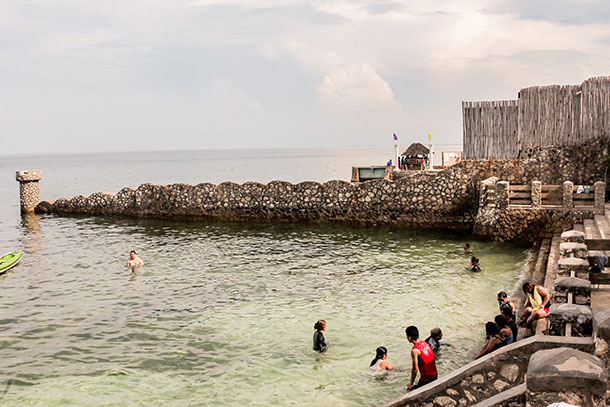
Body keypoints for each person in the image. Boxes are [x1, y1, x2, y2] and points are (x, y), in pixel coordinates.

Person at [406, 325, 438, 390]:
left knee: (408, 390)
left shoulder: (415, 350)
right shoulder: (425, 343)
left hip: (427, 379)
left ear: (409, 337)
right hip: (435, 375)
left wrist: (411, 384)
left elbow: (415, 369)